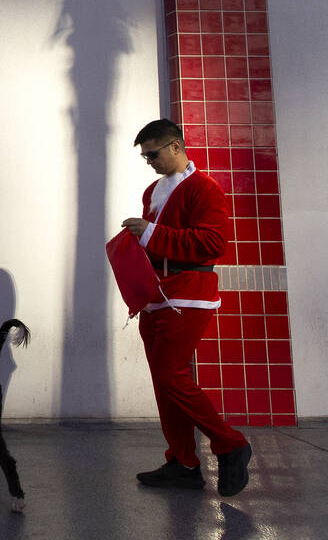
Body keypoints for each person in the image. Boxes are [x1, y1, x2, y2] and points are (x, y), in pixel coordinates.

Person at [121, 119, 252, 496]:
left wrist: (149, 233)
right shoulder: (153, 191)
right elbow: (155, 243)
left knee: (172, 377)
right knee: (164, 383)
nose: (148, 161)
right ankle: (183, 461)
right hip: (155, 295)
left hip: (189, 292)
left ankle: (231, 444)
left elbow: (213, 243)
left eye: (153, 153)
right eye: (144, 156)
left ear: (176, 146)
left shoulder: (204, 188)